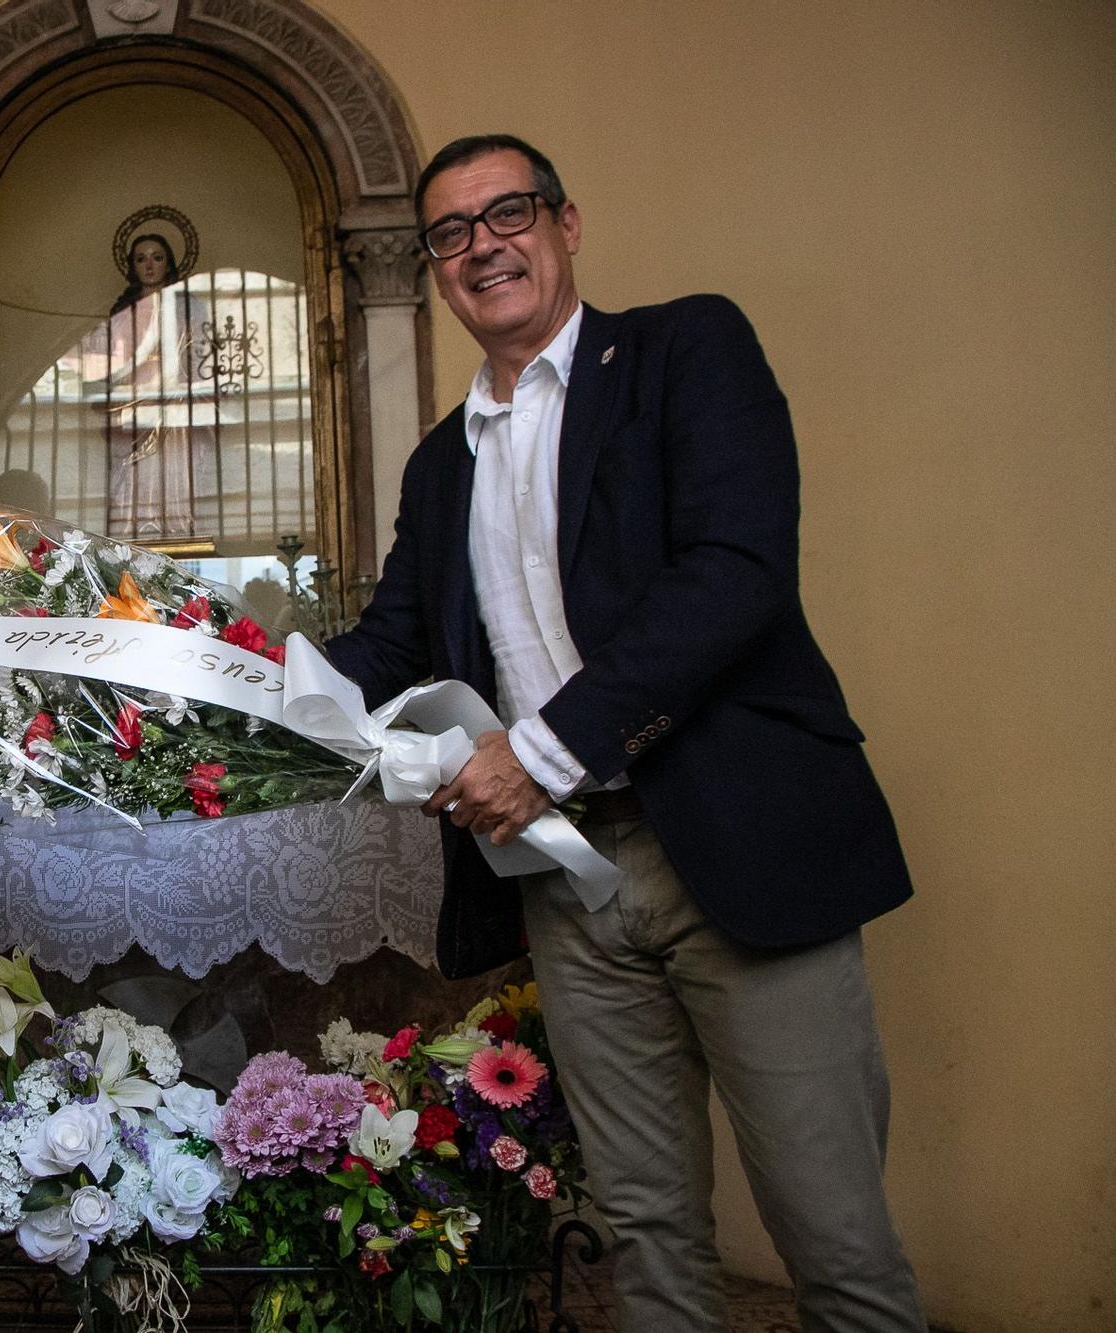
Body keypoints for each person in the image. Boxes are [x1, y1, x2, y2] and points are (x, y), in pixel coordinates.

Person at [322, 135, 925, 1331]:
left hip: (735, 844)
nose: (480, 244)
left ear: (564, 223)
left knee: (831, 1235)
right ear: (435, 270)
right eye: (449, 233)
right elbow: (389, 643)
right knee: (645, 1237)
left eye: (506, 213)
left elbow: (730, 574)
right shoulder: (441, 462)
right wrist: (217, 688)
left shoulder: (680, 351)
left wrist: (536, 754)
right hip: (567, 883)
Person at [92, 232, 213, 541]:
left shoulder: (189, 310)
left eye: (157, 258)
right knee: (135, 481)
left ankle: (177, 533)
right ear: (132, 266)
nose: (149, 266)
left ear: (168, 264)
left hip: (173, 413)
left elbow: (202, 362)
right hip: (135, 413)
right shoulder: (122, 315)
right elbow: (108, 368)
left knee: (172, 478)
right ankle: (136, 536)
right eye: (141, 259)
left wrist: (188, 392)